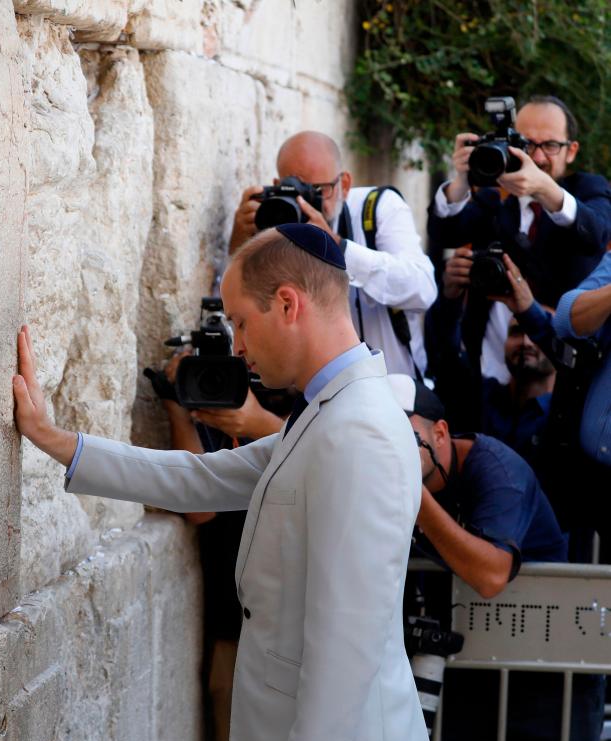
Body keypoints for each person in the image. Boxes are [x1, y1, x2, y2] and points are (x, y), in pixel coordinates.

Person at [13, 223, 441, 741]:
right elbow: (202, 477)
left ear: (287, 304)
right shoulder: (332, 412)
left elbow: (349, 636)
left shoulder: (359, 430)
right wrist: (58, 442)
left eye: (241, 322)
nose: (236, 346)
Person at [388, 375, 610, 741]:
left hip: (552, 670)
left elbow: (489, 574)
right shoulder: (390, 480)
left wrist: (415, 499)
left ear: (440, 431)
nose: (395, 459)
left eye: (403, 441)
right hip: (474, 669)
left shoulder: (497, 471)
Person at [161, 355, 294, 741]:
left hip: (294, 642)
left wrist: (255, 417)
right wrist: (176, 406)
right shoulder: (212, 417)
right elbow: (199, 503)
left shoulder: (299, 411)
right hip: (232, 640)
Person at [427, 95, 611, 383]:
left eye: (549, 145)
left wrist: (544, 190)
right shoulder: (493, 202)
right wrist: (462, 179)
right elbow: (443, 233)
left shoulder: (587, 190)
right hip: (487, 376)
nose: (536, 157)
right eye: (526, 144)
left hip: (562, 377)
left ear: (571, 151)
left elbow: (597, 234)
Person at [229, 130, 437, 376]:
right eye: (294, 189)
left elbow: (423, 289)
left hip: (396, 390)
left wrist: (338, 247)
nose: (306, 201)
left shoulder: (378, 208)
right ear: (277, 186)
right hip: (316, 394)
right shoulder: (277, 226)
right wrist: (239, 245)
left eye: (318, 190)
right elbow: (236, 314)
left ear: (344, 185)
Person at [425, 246, 555, 468]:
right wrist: (450, 296)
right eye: (516, 332)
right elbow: (445, 354)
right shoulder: (480, 397)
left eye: (535, 335)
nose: (525, 342)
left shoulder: (568, 416)